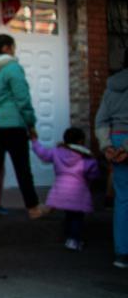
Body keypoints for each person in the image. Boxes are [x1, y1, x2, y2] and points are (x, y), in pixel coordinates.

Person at [0, 34, 48, 220]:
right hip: (14, 125)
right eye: (13, 47)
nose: (15, 51)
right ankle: (33, 208)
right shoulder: (12, 68)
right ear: (6, 48)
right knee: (23, 168)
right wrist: (30, 123)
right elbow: (23, 99)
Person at [32, 128, 101, 251]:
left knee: (69, 215)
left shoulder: (57, 152)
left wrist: (34, 141)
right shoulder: (86, 157)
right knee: (77, 217)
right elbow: (93, 174)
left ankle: (69, 237)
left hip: (61, 189)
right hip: (78, 191)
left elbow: (43, 153)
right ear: (81, 141)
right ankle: (74, 240)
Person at [95, 48, 128, 269]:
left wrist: (108, 146)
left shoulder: (112, 86)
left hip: (115, 139)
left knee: (123, 198)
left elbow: (101, 120)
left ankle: (121, 253)